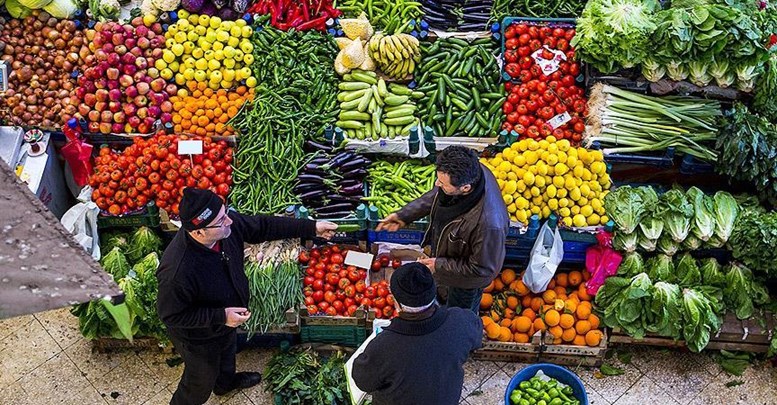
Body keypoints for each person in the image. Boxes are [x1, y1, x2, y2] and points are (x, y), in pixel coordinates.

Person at [156, 188, 338, 405]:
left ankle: (226, 383)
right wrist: (220, 316)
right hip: (198, 338)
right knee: (199, 380)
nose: (229, 222)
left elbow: (263, 226)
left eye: (225, 214)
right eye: (221, 221)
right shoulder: (177, 271)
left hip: (227, 322)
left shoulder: (224, 229)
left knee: (227, 355)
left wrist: (311, 227)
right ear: (199, 232)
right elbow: (171, 316)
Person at [376, 145, 508, 312]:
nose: (437, 184)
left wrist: (438, 265)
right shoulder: (472, 170)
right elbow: (439, 194)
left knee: (458, 314)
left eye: (443, 183)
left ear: (465, 188)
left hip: (465, 283)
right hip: (450, 259)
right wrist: (405, 215)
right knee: (443, 297)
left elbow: (482, 270)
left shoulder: (489, 225)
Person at [352, 262, 482, 404]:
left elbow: (362, 381)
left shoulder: (384, 346)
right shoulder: (462, 321)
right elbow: (477, 338)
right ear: (433, 292)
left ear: (396, 302)